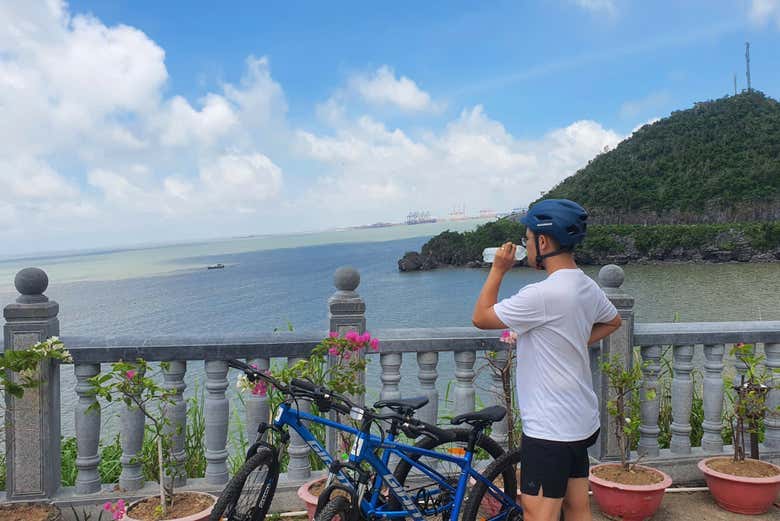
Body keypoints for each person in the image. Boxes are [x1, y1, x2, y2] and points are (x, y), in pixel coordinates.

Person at [472, 199, 622, 521]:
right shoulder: (586, 285)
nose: (525, 245)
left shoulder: (541, 294)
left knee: (538, 513)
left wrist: (498, 269)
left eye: (527, 239)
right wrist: (572, 340)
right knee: (577, 507)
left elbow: (481, 317)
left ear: (543, 242)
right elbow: (613, 321)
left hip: (550, 429)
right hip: (579, 420)